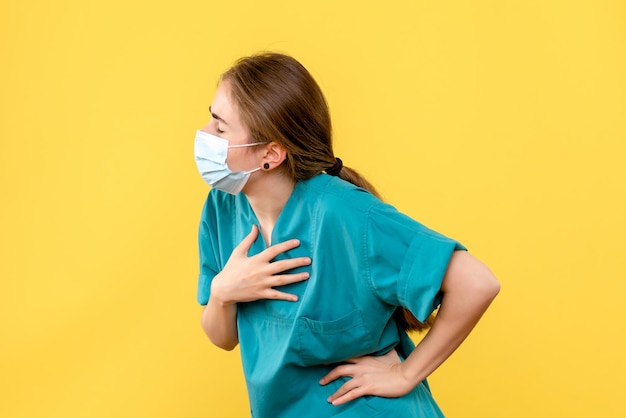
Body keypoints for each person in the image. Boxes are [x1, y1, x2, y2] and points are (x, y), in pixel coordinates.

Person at [194, 52, 500, 418]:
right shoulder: (222, 208)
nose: (204, 135)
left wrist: (405, 374)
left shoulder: (347, 215)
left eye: (220, 127)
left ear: (270, 154)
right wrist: (222, 293)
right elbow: (223, 338)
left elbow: (477, 282)